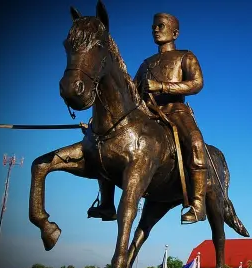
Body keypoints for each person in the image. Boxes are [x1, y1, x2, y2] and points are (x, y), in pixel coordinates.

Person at [87, 12, 207, 224]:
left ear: (175, 32)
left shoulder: (185, 56)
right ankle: (107, 204)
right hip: (147, 113)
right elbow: (131, 92)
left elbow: (196, 83)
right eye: (154, 26)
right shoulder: (146, 64)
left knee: (196, 143)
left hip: (176, 111)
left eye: (161, 26)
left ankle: (198, 205)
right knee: (105, 142)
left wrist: (162, 86)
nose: (156, 29)